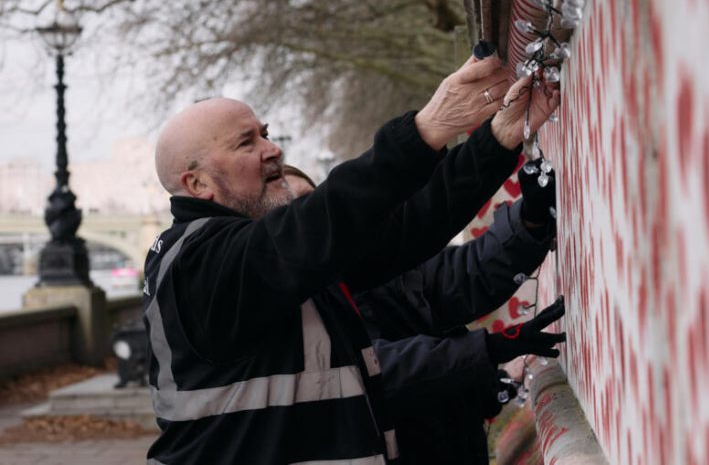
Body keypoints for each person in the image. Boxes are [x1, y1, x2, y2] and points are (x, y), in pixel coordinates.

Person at [143, 54, 559, 464]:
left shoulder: (273, 265)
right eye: (245, 142)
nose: (273, 149)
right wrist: (427, 129)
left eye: (265, 133)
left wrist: (497, 139)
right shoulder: (197, 264)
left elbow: (401, 228)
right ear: (197, 183)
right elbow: (332, 217)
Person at [282, 160, 563, 464]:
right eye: (294, 211)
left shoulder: (369, 268)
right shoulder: (277, 323)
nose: (311, 219)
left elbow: (460, 276)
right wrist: (486, 349)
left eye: (313, 203)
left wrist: (528, 221)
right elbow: (376, 373)